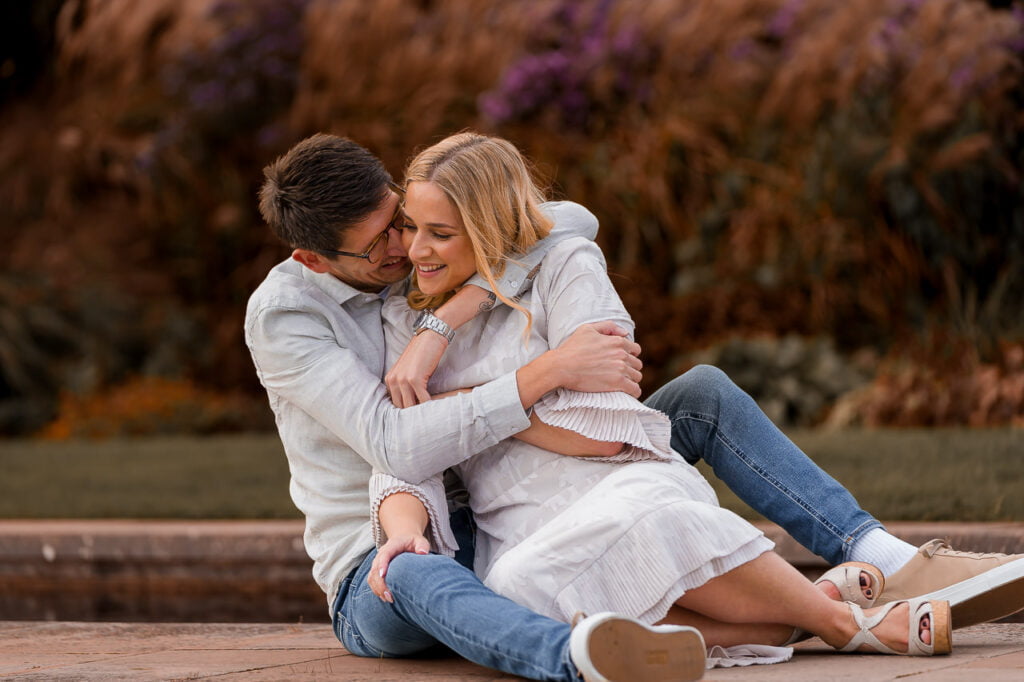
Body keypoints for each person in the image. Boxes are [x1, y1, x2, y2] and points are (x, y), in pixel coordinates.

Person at [246, 133, 1024, 679]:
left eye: (408, 225)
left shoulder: (416, 282)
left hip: (496, 497)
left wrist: (449, 317)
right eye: (382, 242)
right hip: (386, 550)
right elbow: (397, 444)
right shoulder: (287, 318)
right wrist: (545, 370)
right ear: (313, 259)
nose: (402, 250)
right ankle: (576, 657)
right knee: (409, 570)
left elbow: (563, 220)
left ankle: (883, 559)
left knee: (704, 395)